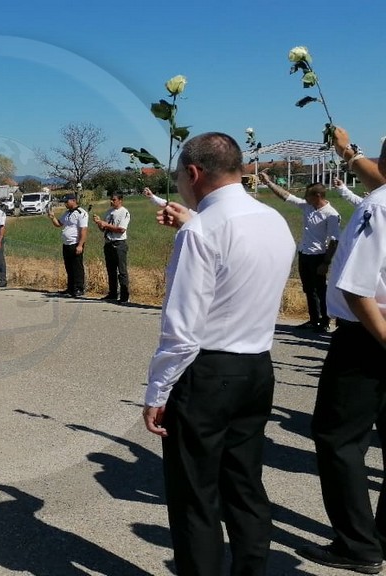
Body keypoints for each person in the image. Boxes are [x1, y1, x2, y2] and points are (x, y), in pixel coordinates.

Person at [142, 132, 295, 576]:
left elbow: (183, 329)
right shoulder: (273, 220)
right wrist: (194, 221)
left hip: (206, 370)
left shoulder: (201, 231)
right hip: (257, 363)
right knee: (244, 485)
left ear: (193, 173)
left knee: (196, 497)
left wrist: (158, 390)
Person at [296, 134, 386, 574]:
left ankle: (358, 545)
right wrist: (347, 151)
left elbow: (356, 287)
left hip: (369, 337)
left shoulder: (377, 206)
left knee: (338, 438)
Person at [260, 173, 341, 332]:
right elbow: (286, 196)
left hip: (318, 256)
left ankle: (324, 321)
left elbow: (334, 240)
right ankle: (313, 320)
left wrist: (326, 263)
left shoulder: (331, 214)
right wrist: (269, 182)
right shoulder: (307, 206)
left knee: (320, 290)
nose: (305, 198)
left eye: (308, 195)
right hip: (304, 254)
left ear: (318, 196)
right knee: (308, 289)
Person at [93, 193, 131, 303]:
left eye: (114, 200)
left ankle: (124, 296)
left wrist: (105, 224)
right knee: (111, 270)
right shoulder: (109, 212)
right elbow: (104, 229)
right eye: (111, 199)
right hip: (108, 243)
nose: (111, 201)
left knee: (122, 270)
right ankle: (113, 293)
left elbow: (121, 229)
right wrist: (99, 223)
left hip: (119, 243)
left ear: (120, 200)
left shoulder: (124, 212)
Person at [49, 193, 88, 297]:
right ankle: (70, 288)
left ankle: (79, 288)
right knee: (69, 267)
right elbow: (59, 224)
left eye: (67, 201)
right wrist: (52, 218)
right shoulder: (67, 213)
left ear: (73, 200)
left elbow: (83, 230)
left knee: (77, 267)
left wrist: (80, 245)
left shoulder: (81, 213)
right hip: (66, 244)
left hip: (75, 243)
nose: (65, 204)